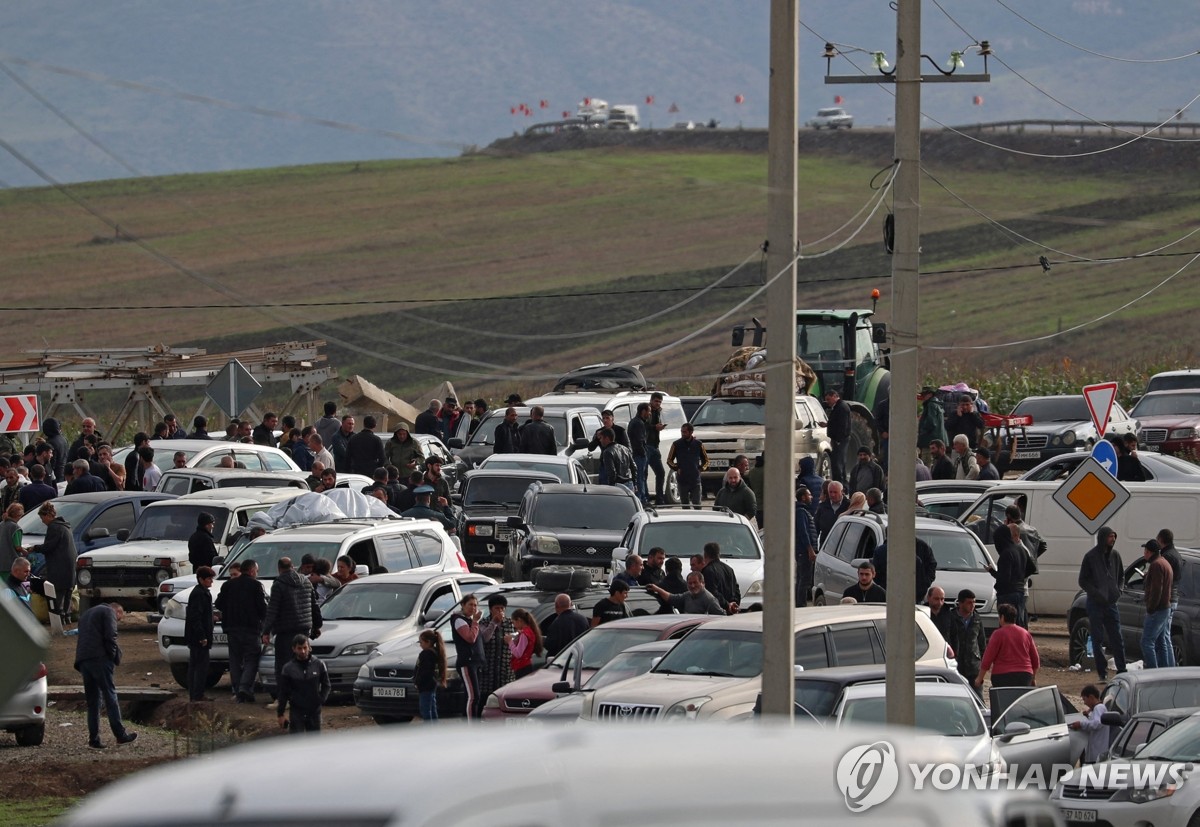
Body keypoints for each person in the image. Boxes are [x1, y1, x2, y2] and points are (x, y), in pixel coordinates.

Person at [74, 601, 137, 748]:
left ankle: (94, 739)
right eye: (119, 619)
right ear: (118, 612)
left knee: (93, 701)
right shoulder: (109, 612)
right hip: (100, 659)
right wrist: (114, 656)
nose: (118, 621)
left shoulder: (87, 614)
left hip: (83, 660)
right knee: (110, 695)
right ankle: (120, 735)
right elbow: (111, 636)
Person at [262, 557, 322, 681]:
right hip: (304, 628)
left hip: (285, 631)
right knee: (303, 660)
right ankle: (304, 690)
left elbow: (273, 610)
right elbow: (314, 605)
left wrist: (266, 631)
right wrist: (317, 626)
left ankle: (284, 695)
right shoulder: (306, 582)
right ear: (293, 566)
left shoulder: (279, 584)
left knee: (283, 665)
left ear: (279, 569)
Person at [1078, 525, 1127, 680]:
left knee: (1117, 638)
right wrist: (1095, 592)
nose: (1112, 540)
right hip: (1095, 604)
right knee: (1097, 638)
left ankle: (1122, 670)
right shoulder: (1090, 557)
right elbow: (1082, 580)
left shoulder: (1115, 556)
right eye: (1109, 537)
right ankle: (1102, 672)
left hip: (1111, 604)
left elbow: (1121, 576)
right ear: (1103, 538)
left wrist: (1118, 590)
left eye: (1114, 536)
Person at [214, 557, 266, 703]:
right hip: (251, 629)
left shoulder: (228, 585)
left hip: (232, 628)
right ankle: (245, 688)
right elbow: (262, 608)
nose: (257, 573)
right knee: (252, 658)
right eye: (256, 570)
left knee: (235, 660)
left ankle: (238, 690)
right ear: (251, 570)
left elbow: (219, 603)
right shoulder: (256, 585)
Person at [29, 501, 77, 619]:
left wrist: (35, 548)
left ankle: (58, 619)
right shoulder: (65, 526)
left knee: (57, 594)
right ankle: (67, 616)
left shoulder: (54, 527)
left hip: (59, 566)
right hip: (70, 566)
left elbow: (49, 546)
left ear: (48, 515)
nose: (42, 521)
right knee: (68, 592)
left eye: (42, 518)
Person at [976, 603, 1039, 689]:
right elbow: (1035, 660)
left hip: (1002, 675)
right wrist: (1033, 678)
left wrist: (980, 678)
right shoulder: (1025, 633)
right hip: (1024, 675)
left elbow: (987, 658)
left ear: (1002, 617)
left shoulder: (998, 634)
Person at [276, 634, 330, 734]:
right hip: (297, 711)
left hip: (314, 710)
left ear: (309, 647)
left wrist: (321, 699)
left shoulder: (319, 664)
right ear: (294, 649)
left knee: (314, 744)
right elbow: (283, 692)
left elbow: (326, 685)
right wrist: (280, 714)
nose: (303, 651)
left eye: (305, 648)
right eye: (299, 648)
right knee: (297, 744)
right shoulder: (288, 669)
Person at [450, 594, 485, 720]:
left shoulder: (471, 621)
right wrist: (475, 621)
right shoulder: (459, 620)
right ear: (463, 605)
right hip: (467, 662)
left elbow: (481, 639)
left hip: (477, 662)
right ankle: (471, 726)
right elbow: (470, 638)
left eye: (475, 605)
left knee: (474, 695)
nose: (473, 608)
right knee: (473, 696)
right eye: (470, 605)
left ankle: (470, 721)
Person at [1141, 539, 1173, 669]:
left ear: (1149, 552)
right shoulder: (1164, 562)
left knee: (1146, 642)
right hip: (1165, 607)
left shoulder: (1156, 565)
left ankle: (1152, 671)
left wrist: (1150, 608)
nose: (1144, 554)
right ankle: (1165, 671)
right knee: (1161, 642)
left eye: (1145, 551)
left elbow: (1156, 590)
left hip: (1158, 609)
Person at [185, 565, 216, 702]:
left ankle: (195, 694)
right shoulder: (199, 594)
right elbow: (195, 617)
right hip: (198, 637)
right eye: (209, 579)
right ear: (201, 579)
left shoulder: (202, 592)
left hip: (196, 636)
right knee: (200, 667)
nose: (211, 581)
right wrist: (202, 636)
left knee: (195, 666)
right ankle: (197, 695)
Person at [873, 537, 936, 601]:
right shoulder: (882, 551)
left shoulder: (922, 547)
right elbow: (875, 573)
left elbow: (931, 567)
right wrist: (883, 587)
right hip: (889, 595)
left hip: (915, 596)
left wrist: (923, 585)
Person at [950, 589, 986, 692]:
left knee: (978, 696)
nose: (972, 605)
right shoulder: (952, 617)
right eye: (969, 602)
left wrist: (981, 663)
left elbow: (981, 642)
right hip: (957, 664)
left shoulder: (977, 619)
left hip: (973, 665)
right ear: (960, 603)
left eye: (974, 602)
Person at [667, 423, 708, 508]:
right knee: (685, 506)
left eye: (685, 432)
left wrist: (700, 469)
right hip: (682, 480)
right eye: (681, 432)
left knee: (697, 505)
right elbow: (669, 460)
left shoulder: (698, 444)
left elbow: (706, 460)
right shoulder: (676, 444)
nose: (682, 434)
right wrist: (676, 468)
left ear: (691, 432)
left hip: (695, 480)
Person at [648, 571, 726, 615]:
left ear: (703, 583)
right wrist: (657, 589)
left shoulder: (709, 599)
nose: (692, 585)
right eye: (690, 583)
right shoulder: (688, 595)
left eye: (695, 583)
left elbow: (721, 616)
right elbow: (671, 598)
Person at [1158, 528, 1183, 667]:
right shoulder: (1176, 555)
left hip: (1167, 598)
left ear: (1161, 540)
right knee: (1165, 634)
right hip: (1174, 597)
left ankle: (1168, 666)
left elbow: (1163, 579)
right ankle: (1169, 666)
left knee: (1163, 636)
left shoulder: (1167, 556)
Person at [1069, 685, 1112, 763]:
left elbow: (1097, 723)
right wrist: (1088, 716)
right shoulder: (1097, 709)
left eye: (1085, 699)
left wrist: (1081, 724)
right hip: (1095, 753)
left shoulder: (1099, 708)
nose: (1085, 703)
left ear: (1091, 697)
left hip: (1097, 753)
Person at [416, 628, 447, 722]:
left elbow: (425, 671)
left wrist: (418, 682)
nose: (420, 645)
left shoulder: (426, 654)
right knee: (432, 707)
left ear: (428, 642)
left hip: (425, 685)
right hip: (432, 684)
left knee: (425, 709)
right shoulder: (435, 653)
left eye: (421, 642)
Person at [701, 542, 740, 613]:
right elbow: (736, 589)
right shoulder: (729, 569)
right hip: (731, 610)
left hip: (716, 611)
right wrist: (734, 603)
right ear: (719, 554)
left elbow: (711, 592)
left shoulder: (708, 571)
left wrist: (727, 605)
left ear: (705, 555)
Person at [794, 488, 818, 607]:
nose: (811, 497)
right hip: (804, 551)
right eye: (809, 495)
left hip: (802, 551)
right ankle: (800, 605)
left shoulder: (802, 511)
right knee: (804, 579)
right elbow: (803, 532)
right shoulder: (801, 512)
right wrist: (810, 550)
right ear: (803, 497)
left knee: (801, 578)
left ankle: (799, 603)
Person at [822, 388, 851, 485]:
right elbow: (836, 422)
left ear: (835, 396)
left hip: (840, 440)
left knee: (837, 464)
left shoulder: (841, 407)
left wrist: (838, 440)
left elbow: (843, 425)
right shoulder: (838, 406)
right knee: (840, 463)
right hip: (838, 439)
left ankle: (839, 485)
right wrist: (828, 424)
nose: (827, 402)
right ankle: (843, 485)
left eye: (829, 399)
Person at [506, 607, 544, 679]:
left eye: (513, 622)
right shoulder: (530, 631)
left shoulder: (524, 634)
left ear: (519, 620)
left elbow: (518, 653)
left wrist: (510, 642)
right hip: (527, 665)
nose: (514, 625)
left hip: (522, 667)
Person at [646, 392, 669, 505]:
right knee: (643, 474)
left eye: (660, 402)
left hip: (655, 446)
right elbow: (644, 426)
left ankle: (659, 498)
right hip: (646, 446)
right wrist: (655, 427)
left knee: (660, 472)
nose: (658, 403)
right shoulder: (647, 411)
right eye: (656, 401)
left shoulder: (657, 412)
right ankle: (645, 498)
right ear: (651, 400)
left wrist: (658, 427)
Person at [597, 428, 636, 492]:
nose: (600, 440)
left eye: (601, 438)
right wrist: (634, 483)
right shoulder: (625, 449)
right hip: (629, 484)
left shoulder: (607, 452)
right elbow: (634, 467)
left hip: (618, 486)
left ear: (606, 438)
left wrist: (611, 487)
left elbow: (612, 472)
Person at [917, 387, 948, 466]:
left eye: (924, 394)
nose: (923, 396)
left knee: (926, 464)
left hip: (929, 441)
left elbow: (931, 423)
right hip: (938, 441)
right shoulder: (938, 405)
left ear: (930, 394)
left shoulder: (931, 405)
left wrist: (922, 432)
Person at [628, 403, 651, 504]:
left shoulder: (637, 422)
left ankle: (643, 498)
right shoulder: (638, 423)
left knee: (641, 477)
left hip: (638, 454)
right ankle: (640, 500)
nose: (649, 414)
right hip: (638, 455)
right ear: (643, 411)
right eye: (648, 411)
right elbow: (639, 441)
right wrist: (643, 453)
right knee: (639, 478)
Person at [0, 502, 23, 577]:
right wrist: (26, 552)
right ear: (19, 515)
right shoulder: (15, 527)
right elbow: (18, 547)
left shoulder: (1, 524)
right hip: (11, 564)